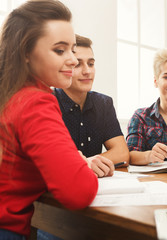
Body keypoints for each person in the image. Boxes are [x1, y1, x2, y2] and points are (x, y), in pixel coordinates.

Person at [0, 1, 99, 239]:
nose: (74, 61)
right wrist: (79, 164)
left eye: (72, 49)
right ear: (25, 53)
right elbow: (78, 192)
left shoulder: (11, 94)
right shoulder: (36, 102)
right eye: (59, 50)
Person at [54, 34, 129, 177]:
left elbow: (122, 154)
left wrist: (87, 164)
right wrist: (83, 165)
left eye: (91, 64)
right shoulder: (48, 102)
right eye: (77, 64)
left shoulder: (104, 103)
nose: (87, 71)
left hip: (97, 185)